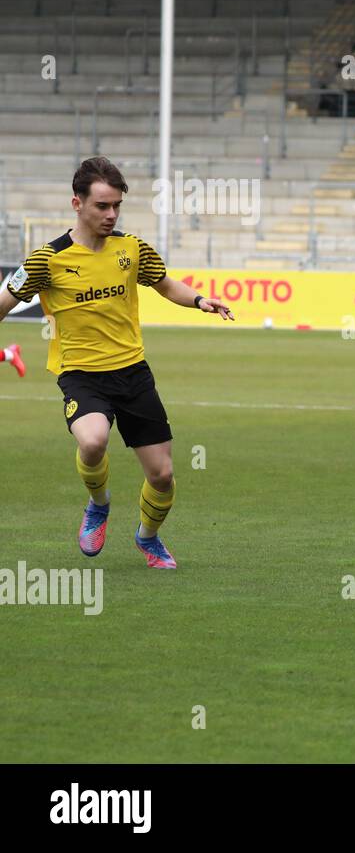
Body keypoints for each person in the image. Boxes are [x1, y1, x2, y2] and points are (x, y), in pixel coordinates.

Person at [0, 156, 235, 568]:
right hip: (80, 374)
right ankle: (99, 504)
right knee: (92, 441)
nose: (111, 215)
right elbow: (4, 302)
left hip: (132, 373)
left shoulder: (132, 249)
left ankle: (148, 537)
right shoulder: (46, 260)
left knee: (162, 476)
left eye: (117, 207)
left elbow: (164, 283)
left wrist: (199, 300)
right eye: (102, 206)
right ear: (77, 204)